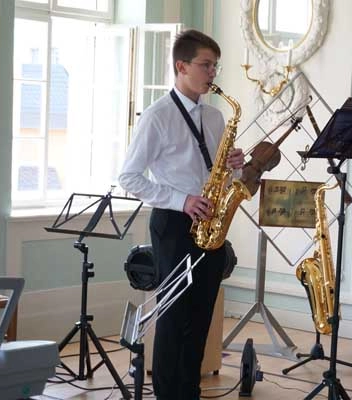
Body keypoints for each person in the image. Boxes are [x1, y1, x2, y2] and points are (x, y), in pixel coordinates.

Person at [118, 29, 244, 400]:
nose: (212, 73)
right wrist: (182, 200)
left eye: (215, 66)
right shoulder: (157, 117)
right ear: (181, 66)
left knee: (201, 317)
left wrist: (235, 166)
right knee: (174, 318)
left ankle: (189, 391)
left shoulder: (215, 118)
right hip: (174, 224)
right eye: (206, 65)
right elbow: (129, 177)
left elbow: (222, 177)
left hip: (210, 224)